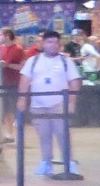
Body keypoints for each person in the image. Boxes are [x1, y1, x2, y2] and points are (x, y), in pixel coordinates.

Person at [21, 30, 81, 177]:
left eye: (55, 42)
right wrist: (21, 99)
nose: (53, 45)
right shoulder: (33, 61)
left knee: (63, 134)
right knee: (44, 135)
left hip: (59, 104)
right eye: (49, 42)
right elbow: (24, 81)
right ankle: (46, 162)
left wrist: (72, 102)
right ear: (43, 44)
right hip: (38, 105)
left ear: (59, 44)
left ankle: (69, 163)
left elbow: (74, 82)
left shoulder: (66, 62)